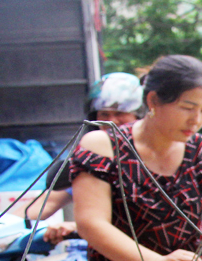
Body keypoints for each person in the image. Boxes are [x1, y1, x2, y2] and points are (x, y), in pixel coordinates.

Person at [70, 55, 202, 261]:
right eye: (187, 108)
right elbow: (91, 223)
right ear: (153, 100)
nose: (196, 119)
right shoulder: (104, 146)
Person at [12, 72, 144, 244]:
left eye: (120, 113)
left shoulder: (152, 159)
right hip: (89, 259)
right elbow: (45, 204)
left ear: (139, 117)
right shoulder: (90, 160)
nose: (111, 121)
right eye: (104, 114)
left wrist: (79, 226)